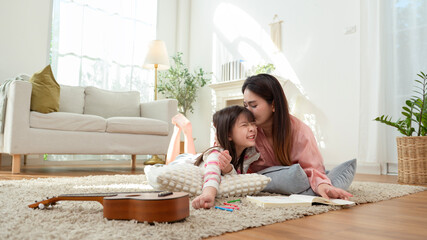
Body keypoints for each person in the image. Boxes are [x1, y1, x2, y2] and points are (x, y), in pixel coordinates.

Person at [218, 74, 355, 200]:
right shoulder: (249, 131)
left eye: (253, 105)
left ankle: (323, 185)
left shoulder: (300, 131)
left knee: (312, 179)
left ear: (273, 105)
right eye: (245, 105)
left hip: (295, 175)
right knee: (305, 180)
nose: (247, 111)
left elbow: (311, 169)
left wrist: (321, 184)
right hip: (260, 179)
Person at [166, 106, 259, 209]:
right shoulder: (216, 155)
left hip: (196, 159)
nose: (252, 128)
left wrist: (228, 169)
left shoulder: (249, 153)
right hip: (184, 162)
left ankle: (187, 132)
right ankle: (178, 130)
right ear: (228, 134)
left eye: (253, 124)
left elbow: (236, 176)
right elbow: (212, 173)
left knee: (193, 156)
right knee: (170, 162)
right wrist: (208, 194)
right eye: (244, 125)